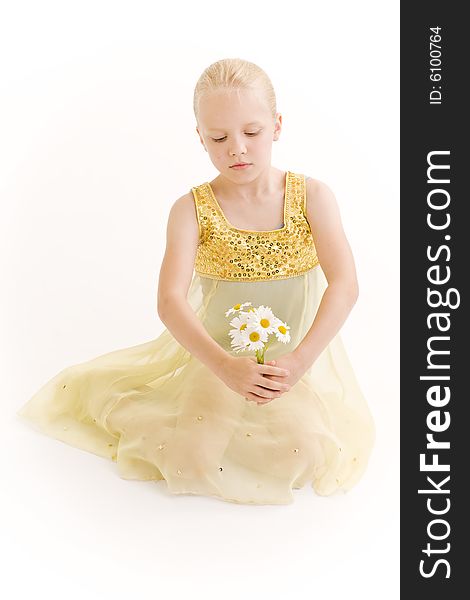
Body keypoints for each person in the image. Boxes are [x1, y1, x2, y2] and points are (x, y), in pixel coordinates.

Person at [16, 58, 375, 505]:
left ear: (277, 125)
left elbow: (345, 284)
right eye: (219, 138)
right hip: (215, 357)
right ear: (200, 137)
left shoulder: (313, 197)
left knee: (306, 455)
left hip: (288, 362)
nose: (237, 149)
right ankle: (141, 409)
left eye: (252, 132)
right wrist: (225, 366)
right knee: (189, 460)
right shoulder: (190, 210)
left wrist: (299, 361)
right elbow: (170, 300)